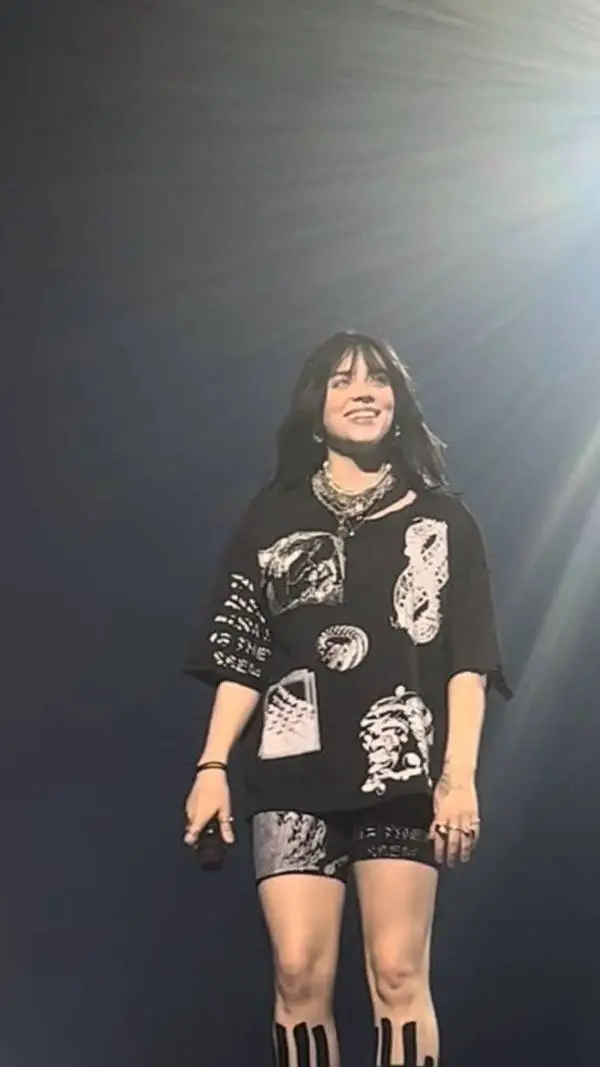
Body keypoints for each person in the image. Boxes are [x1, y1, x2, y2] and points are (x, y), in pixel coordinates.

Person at [183, 330, 511, 1067]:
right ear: (315, 405)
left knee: (397, 973)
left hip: (399, 773)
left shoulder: (444, 521)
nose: (362, 392)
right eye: (341, 380)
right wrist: (211, 767)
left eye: (378, 379)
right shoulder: (271, 518)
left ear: (398, 402)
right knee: (298, 972)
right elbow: (241, 655)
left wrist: (458, 778)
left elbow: (470, 662)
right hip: (290, 774)